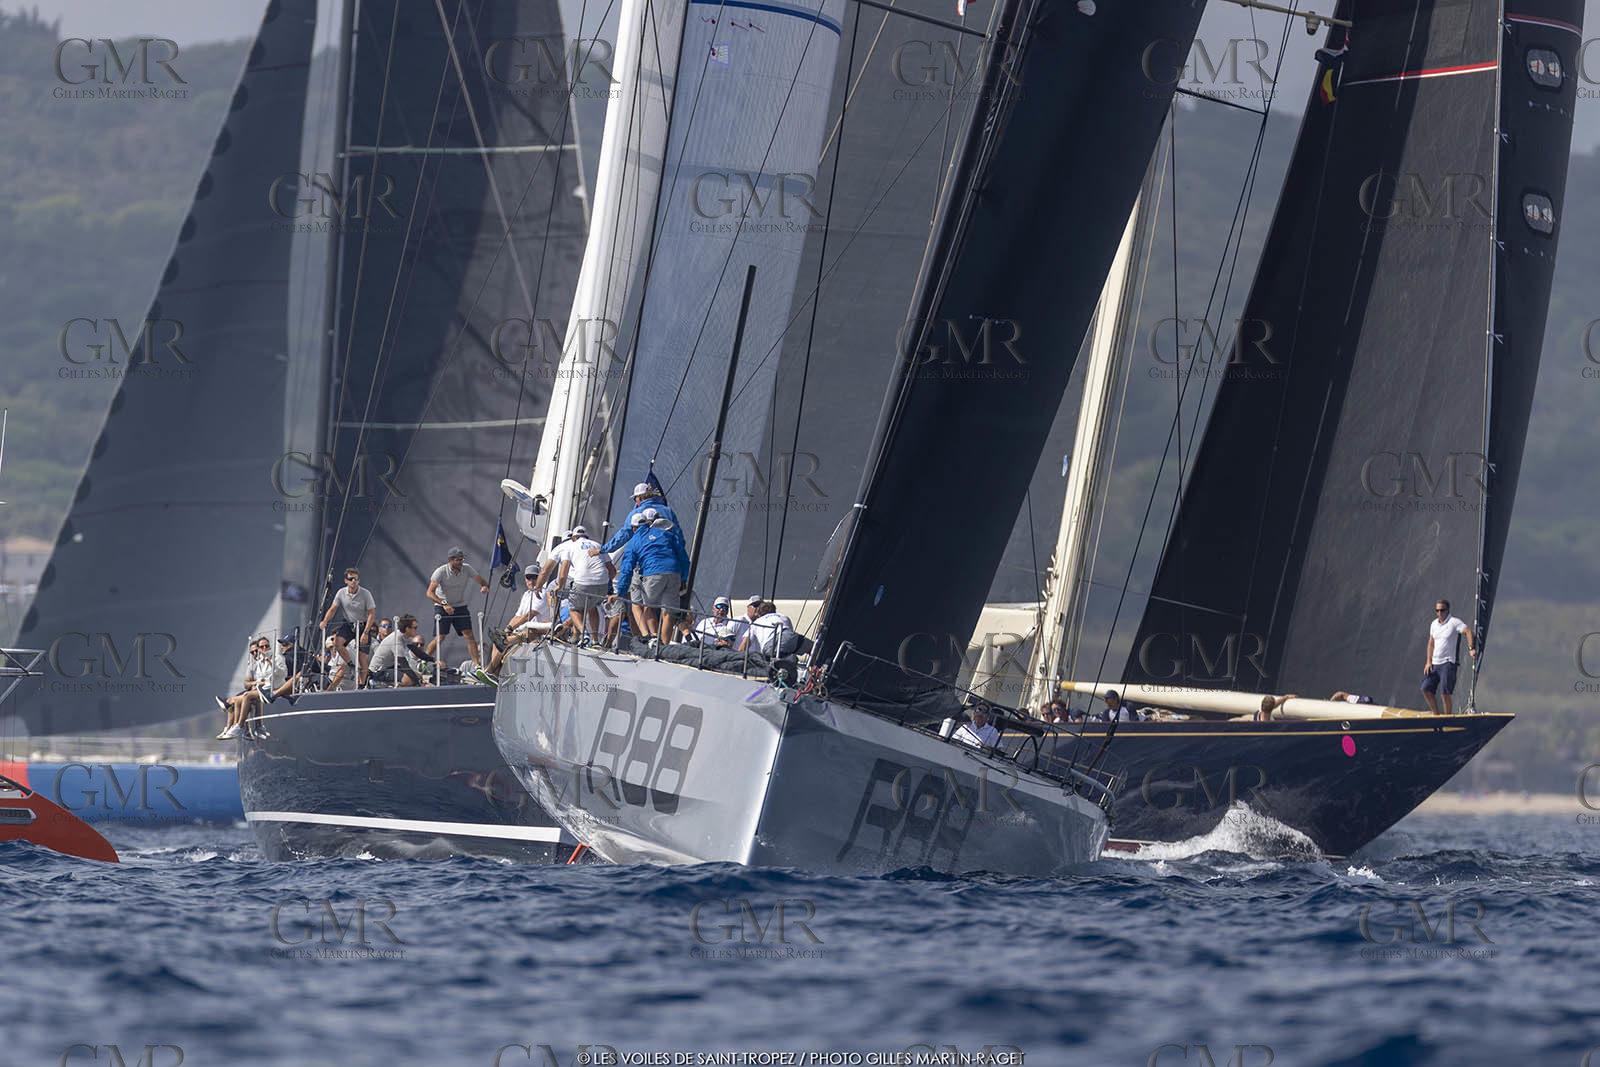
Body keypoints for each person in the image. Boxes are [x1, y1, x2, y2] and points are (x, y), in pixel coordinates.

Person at [612, 508, 689, 648]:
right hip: (674, 573)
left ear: (634, 528)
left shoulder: (634, 541)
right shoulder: (667, 534)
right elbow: (684, 558)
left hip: (653, 574)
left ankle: (650, 636)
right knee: (668, 612)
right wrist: (683, 578)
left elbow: (627, 569)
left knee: (645, 605)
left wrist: (620, 592)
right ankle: (663, 647)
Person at [475, 566, 556, 685]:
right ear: (525, 579)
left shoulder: (542, 593)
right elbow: (517, 616)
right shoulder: (527, 594)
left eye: (535, 577)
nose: (532, 581)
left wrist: (508, 629)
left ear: (541, 578)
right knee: (498, 640)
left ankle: (489, 671)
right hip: (525, 629)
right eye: (529, 578)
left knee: (508, 639)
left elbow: (528, 615)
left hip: (538, 631)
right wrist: (505, 630)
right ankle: (494, 675)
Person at [426, 546, 491, 669]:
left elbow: (482, 581)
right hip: (442, 606)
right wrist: (444, 604)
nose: (461, 562)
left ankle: (477, 666)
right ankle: (424, 659)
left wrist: (484, 586)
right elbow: (429, 593)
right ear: (451, 560)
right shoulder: (440, 572)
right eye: (458, 560)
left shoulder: (467, 569)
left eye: (462, 559)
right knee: (440, 637)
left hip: (460, 606)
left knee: (469, 635)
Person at [556, 524, 613, 645]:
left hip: (583, 582)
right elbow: (612, 570)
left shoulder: (571, 546)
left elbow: (563, 573)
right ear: (586, 536)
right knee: (592, 607)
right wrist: (605, 583)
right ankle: (595, 640)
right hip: (602, 583)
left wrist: (559, 586)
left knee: (573, 608)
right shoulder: (597, 545)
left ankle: (584, 634)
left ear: (574, 538)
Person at [320, 567, 377, 687]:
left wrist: (366, 632)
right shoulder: (341, 592)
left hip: (362, 625)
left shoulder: (365, 594)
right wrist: (325, 621)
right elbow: (333, 609)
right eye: (351, 579)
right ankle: (350, 664)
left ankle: (361, 685)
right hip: (348, 624)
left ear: (359, 580)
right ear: (346, 581)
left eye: (356, 579)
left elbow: (372, 613)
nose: (353, 581)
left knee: (363, 658)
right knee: (337, 643)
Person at [1421, 598, 1476, 716]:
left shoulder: (1454, 622)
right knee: (1426, 689)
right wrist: (1428, 661)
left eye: (1442, 610)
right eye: (1437, 611)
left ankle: (1447, 717)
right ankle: (1436, 715)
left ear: (1447, 610)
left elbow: (1468, 631)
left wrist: (1471, 648)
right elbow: (1431, 643)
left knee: (1445, 692)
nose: (1439, 613)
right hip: (1435, 663)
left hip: (1448, 663)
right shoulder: (1434, 624)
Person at [216, 636, 270, 739]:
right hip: (252, 690)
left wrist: (256, 683)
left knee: (237, 700)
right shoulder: (252, 665)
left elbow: (268, 680)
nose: (254, 654)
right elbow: (246, 683)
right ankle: (229, 729)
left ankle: (238, 727)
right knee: (235, 702)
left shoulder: (266, 661)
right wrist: (255, 682)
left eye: (256, 651)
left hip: (258, 693)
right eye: (252, 652)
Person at [369, 614, 436, 687]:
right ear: (407, 629)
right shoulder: (396, 639)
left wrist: (434, 660)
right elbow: (404, 664)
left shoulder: (406, 636)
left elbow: (418, 653)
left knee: (418, 676)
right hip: (378, 671)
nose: (416, 630)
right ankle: (381, 684)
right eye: (415, 628)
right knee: (410, 681)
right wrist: (418, 682)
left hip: (390, 666)